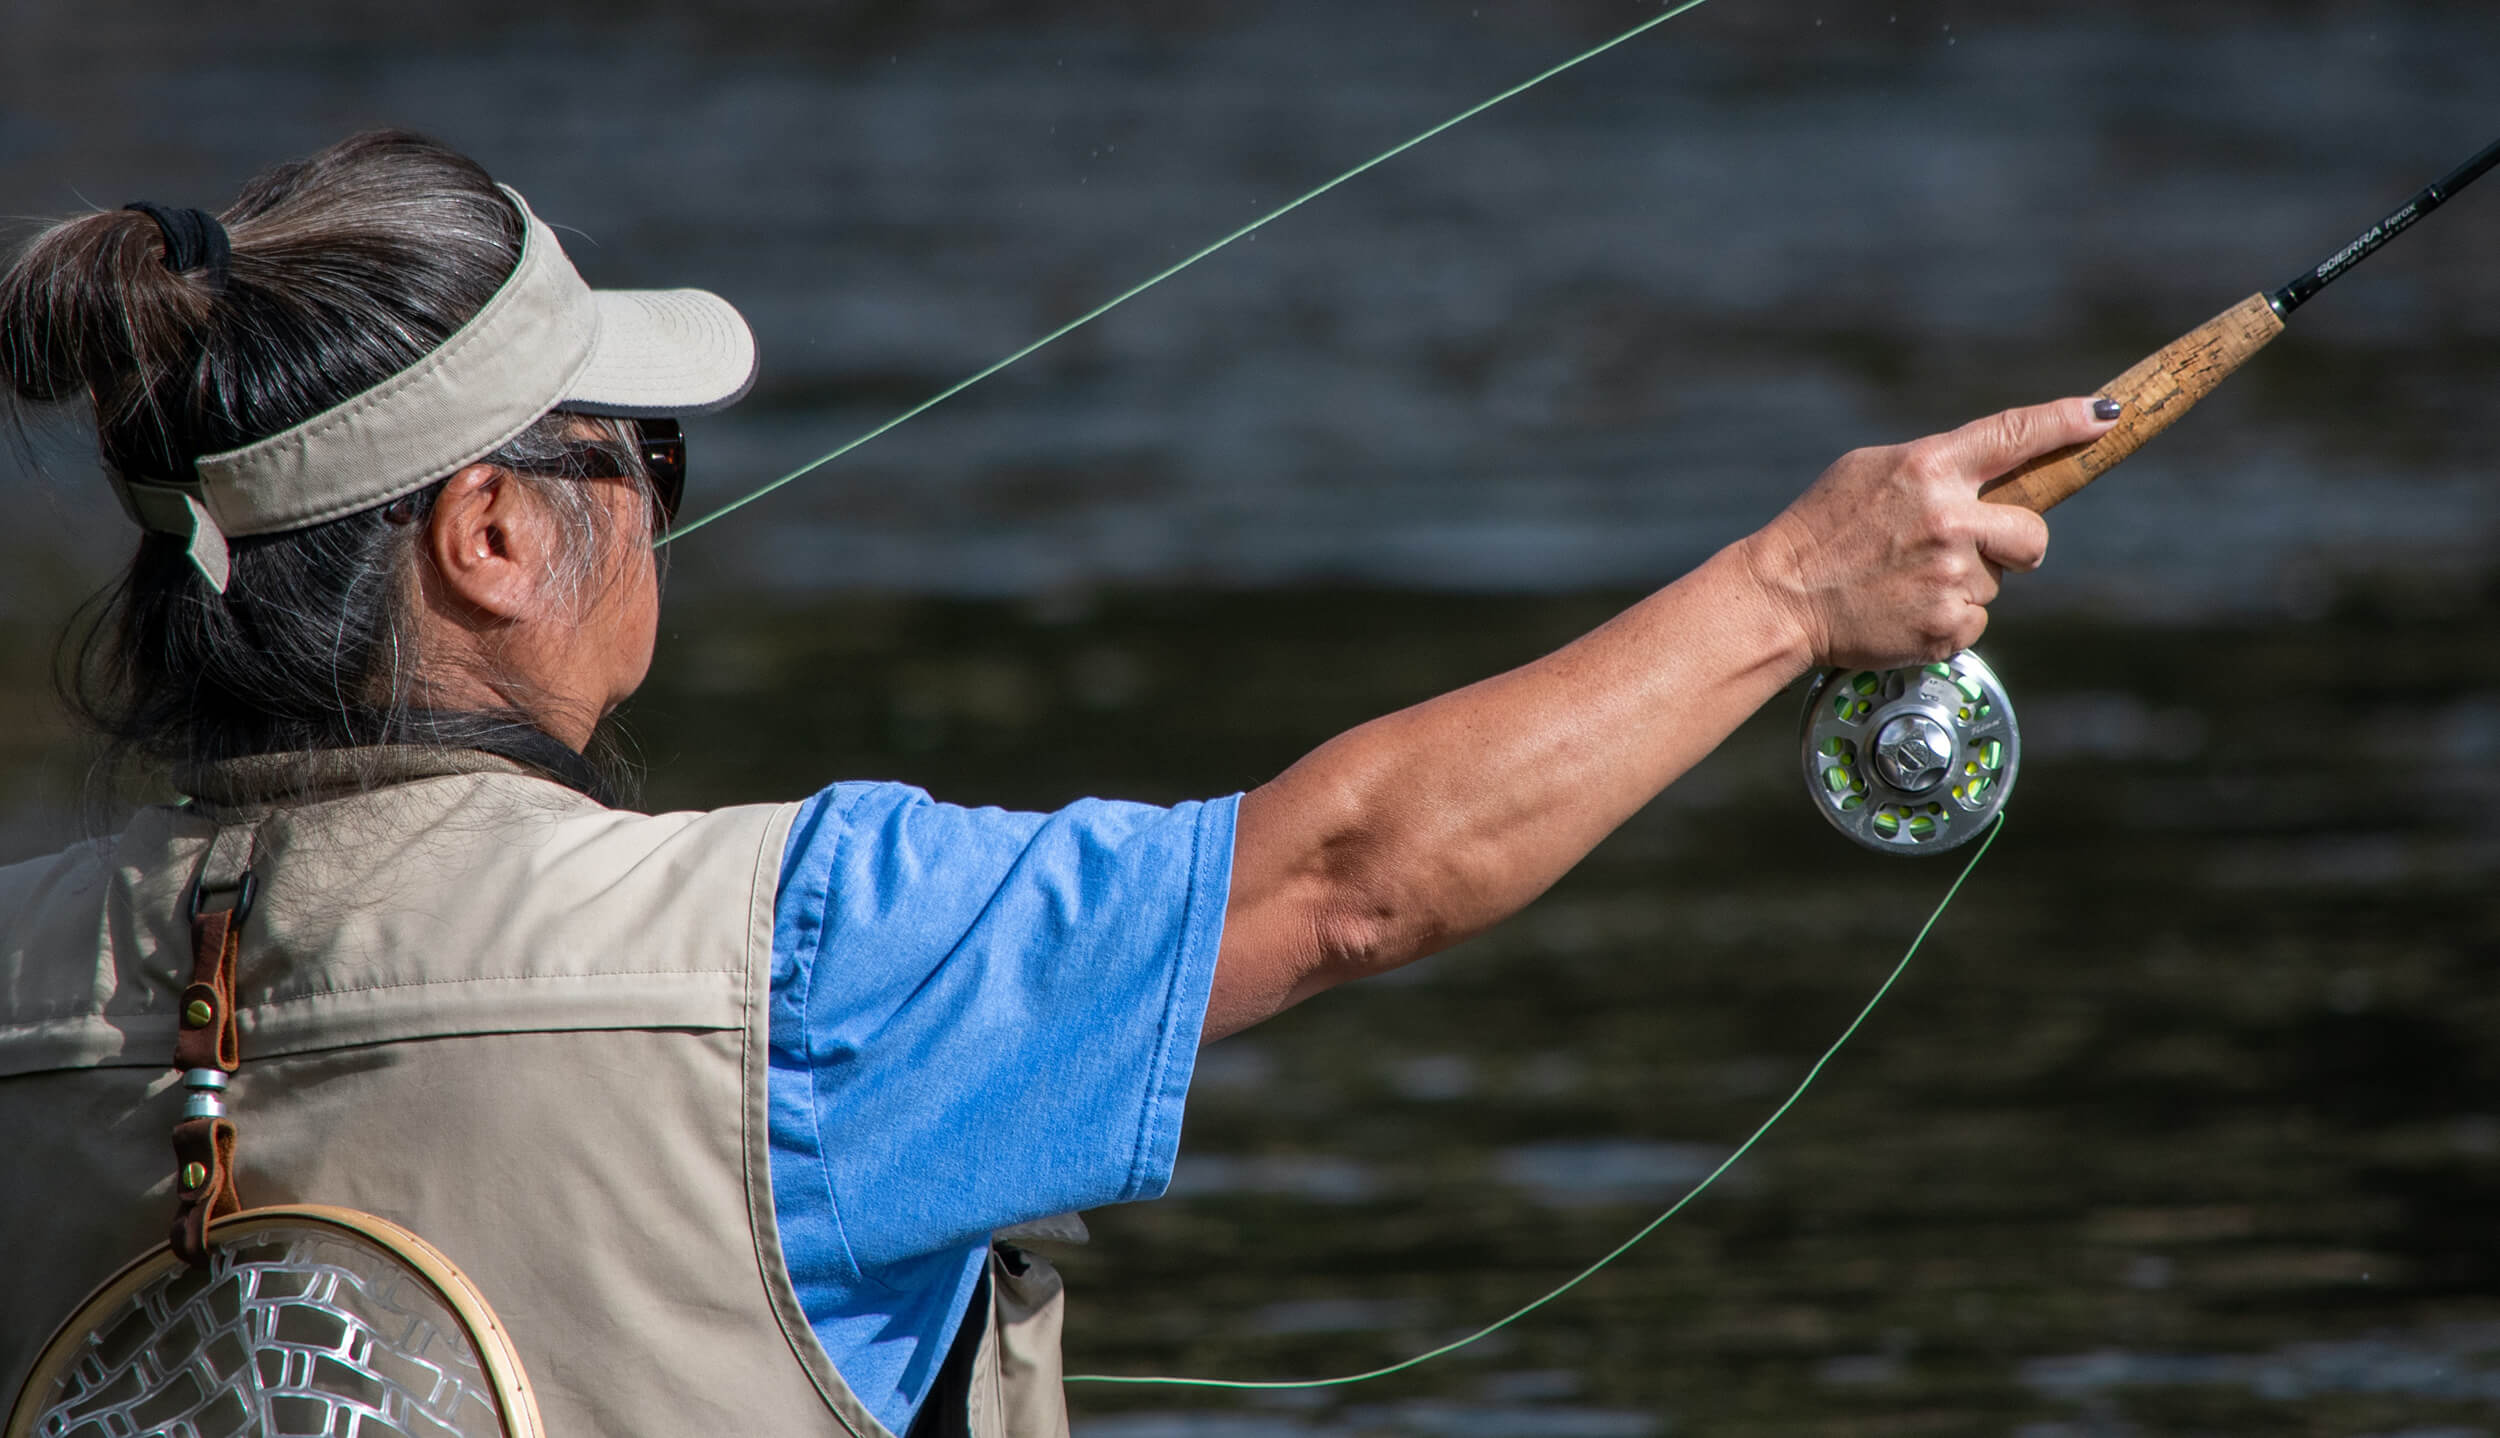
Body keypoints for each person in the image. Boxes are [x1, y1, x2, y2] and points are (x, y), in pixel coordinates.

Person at [0, 131, 2116, 1436]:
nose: (658, 501)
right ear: (484, 534)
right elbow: (1360, 871)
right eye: (635, 454)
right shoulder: (807, 952)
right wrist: (1791, 586)